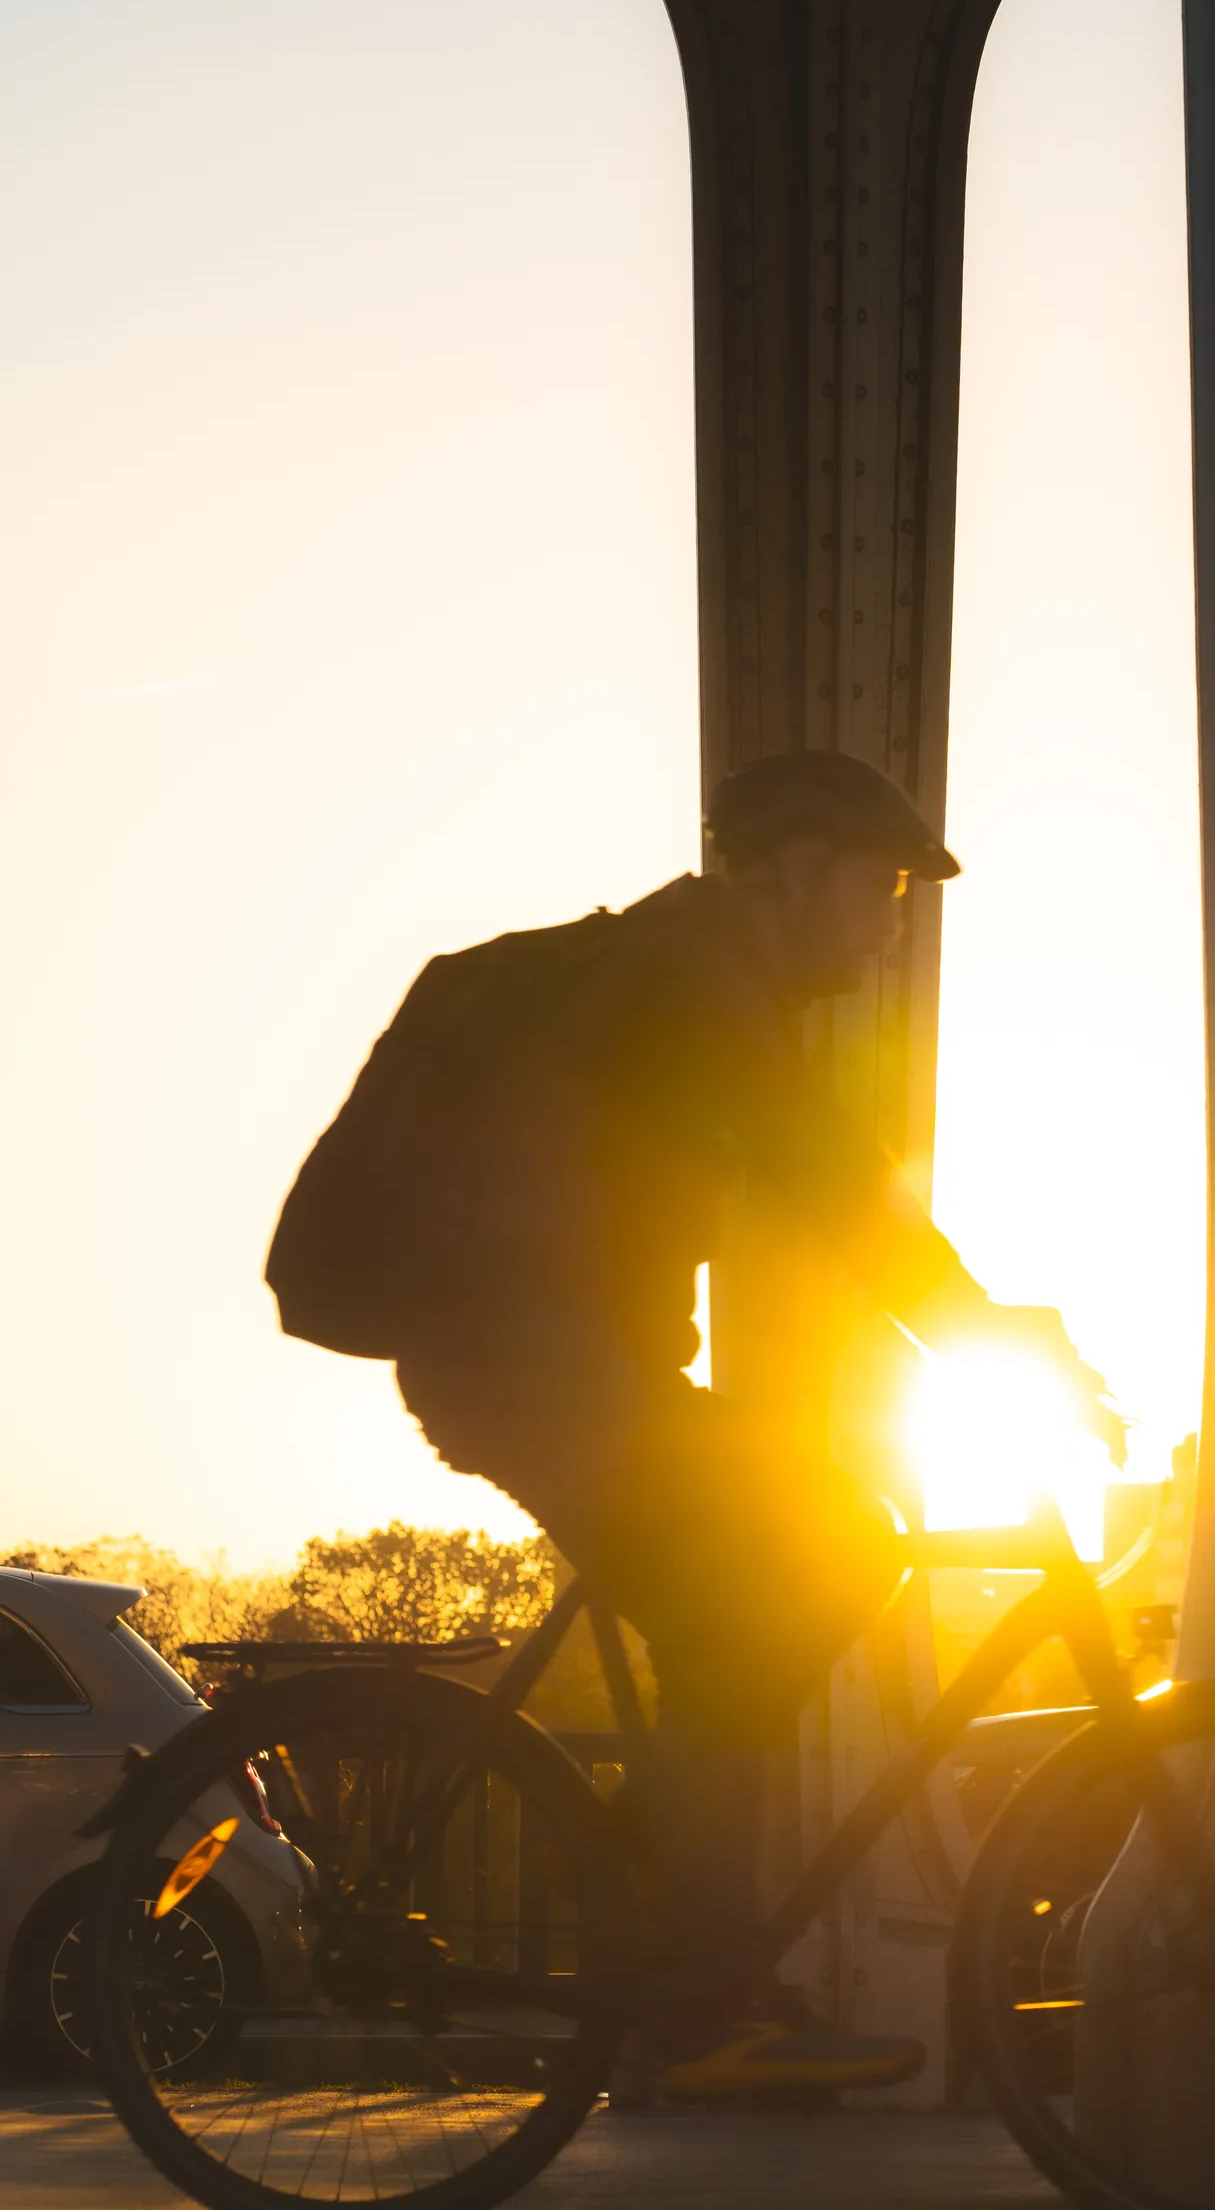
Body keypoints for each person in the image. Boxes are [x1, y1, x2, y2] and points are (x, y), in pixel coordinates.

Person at [277, 748, 1120, 2099]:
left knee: (794, 1554)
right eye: (884, 883)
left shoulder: (672, 978)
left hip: (549, 1367)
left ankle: (670, 1919)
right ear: (797, 871)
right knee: (819, 1549)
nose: (893, 915)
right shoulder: (695, 976)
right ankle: (678, 1955)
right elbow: (834, 1183)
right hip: (535, 1370)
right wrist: (997, 1334)